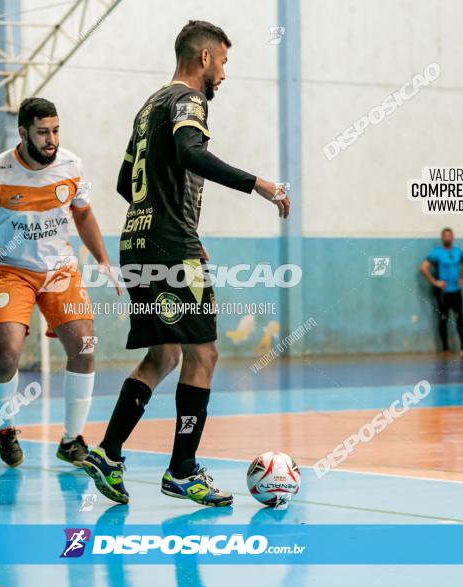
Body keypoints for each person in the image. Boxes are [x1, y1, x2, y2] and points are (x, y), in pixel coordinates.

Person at [82, 20, 291, 507]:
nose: (224, 73)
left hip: (137, 241)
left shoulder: (148, 106)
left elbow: (122, 181)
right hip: (170, 247)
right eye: (223, 62)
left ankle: (109, 453)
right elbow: (190, 153)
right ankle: (181, 472)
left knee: (166, 354)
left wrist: (169, 222)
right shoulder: (187, 101)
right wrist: (257, 183)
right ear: (203, 58)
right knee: (204, 355)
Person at [0, 97, 119, 468]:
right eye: (43, 132)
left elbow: (84, 215)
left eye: (56, 130)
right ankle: (4, 427)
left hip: (60, 271)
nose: (52, 140)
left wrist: (104, 259)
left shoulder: (71, 165)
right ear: (23, 133)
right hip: (10, 270)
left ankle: (71, 440)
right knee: (7, 354)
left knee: (84, 347)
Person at [420, 228, 463, 352]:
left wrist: (462, 278)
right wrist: (435, 282)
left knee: (460, 318)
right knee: (443, 319)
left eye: (450, 235)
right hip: (443, 292)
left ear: (453, 237)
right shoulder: (436, 253)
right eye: (445, 236)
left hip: (456, 290)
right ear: (442, 238)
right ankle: (445, 348)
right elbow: (423, 268)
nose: (448, 238)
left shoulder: (458, 252)